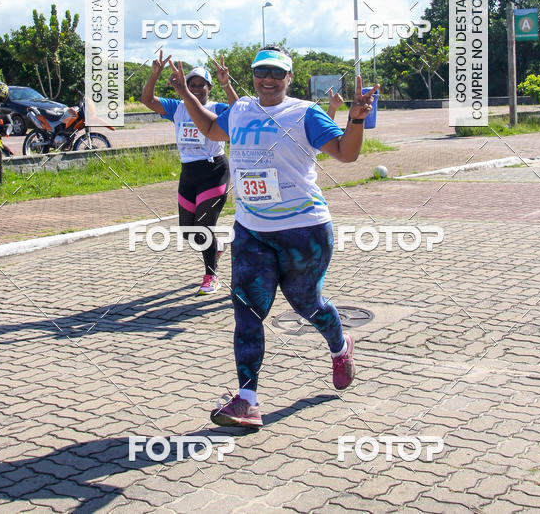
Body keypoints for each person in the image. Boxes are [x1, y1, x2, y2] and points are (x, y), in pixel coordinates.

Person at [167, 45, 378, 427]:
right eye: (261, 72)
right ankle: (247, 401)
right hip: (252, 231)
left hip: (304, 230)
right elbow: (211, 128)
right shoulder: (241, 109)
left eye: (277, 73)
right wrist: (184, 92)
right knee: (247, 313)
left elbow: (345, 153)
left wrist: (356, 120)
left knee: (307, 304)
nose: (268, 79)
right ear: (253, 75)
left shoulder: (305, 113)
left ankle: (339, 345)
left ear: (289, 78)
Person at [141, 52, 237, 295]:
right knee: (188, 231)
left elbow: (240, 111)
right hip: (189, 174)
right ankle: (218, 246)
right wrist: (154, 75)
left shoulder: (217, 108)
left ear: (209, 88)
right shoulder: (177, 108)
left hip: (214, 171)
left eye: (201, 85)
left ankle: (211, 276)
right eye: (191, 85)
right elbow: (147, 100)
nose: (195, 89)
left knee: (204, 225)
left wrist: (227, 84)